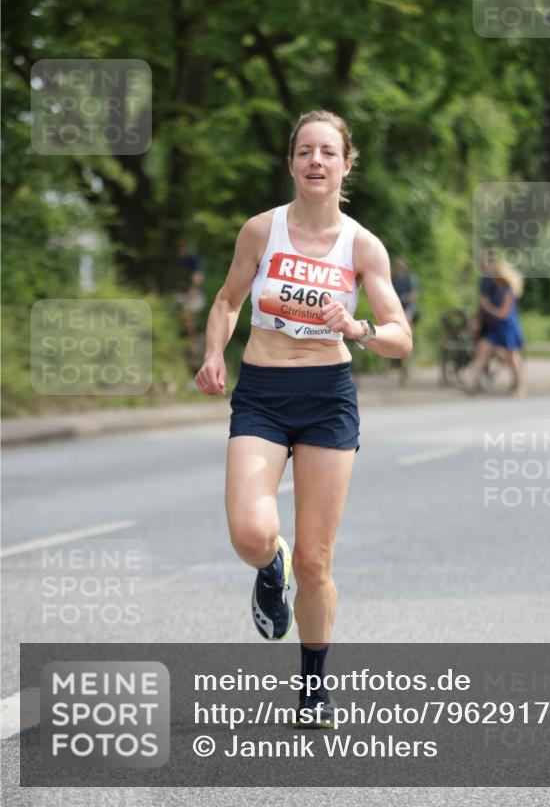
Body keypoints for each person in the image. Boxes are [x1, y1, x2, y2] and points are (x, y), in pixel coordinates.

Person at [194, 110, 412, 727]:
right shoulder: (261, 231)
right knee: (249, 532)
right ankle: (269, 566)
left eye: (328, 152)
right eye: (305, 151)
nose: (316, 161)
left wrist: (360, 327)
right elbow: (227, 300)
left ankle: (314, 687)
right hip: (262, 391)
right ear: (291, 163)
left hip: (327, 397)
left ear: (346, 165)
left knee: (317, 560)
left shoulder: (362, 245)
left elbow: (401, 336)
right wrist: (214, 353)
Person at [466, 260, 525, 396]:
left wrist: (487, 306)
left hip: (508, 328)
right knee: (482, 353)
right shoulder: (495, 289)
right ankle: (471, 385)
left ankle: (520, 386)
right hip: (495, 328)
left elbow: (503, 314)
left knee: (512, 358)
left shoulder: (508, 290)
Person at [175, 238, 206, 374]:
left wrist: (193, 289)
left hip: (192, 297)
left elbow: (198, 275)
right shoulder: (179, 261)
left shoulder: (190, 258)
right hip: (183, 296)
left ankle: (192, 344)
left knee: (189, 318)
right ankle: (189, 342)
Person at [390, 256, 420, 385]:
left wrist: (407, 299)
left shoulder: (410, 278)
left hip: (408, 309)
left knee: (406, 322)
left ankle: (407, 342)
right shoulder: (394, 279)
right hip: (396, 309)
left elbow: (414, 295)